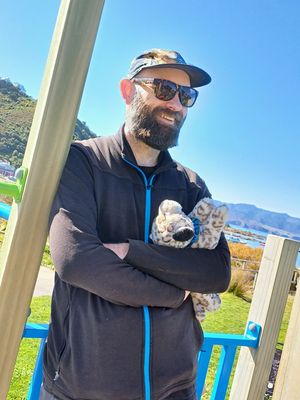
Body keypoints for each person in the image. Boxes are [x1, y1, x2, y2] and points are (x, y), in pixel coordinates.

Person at [41, 48, 231, 400]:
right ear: (128, 90)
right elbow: (76, 261)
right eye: (163, 88)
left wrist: (131, 251)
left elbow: (217, 274)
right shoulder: (83, 161)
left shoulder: (190, 185)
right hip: (83, 388)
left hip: (176, 388)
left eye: (186, 95)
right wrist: (174, 294)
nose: (176, 104)